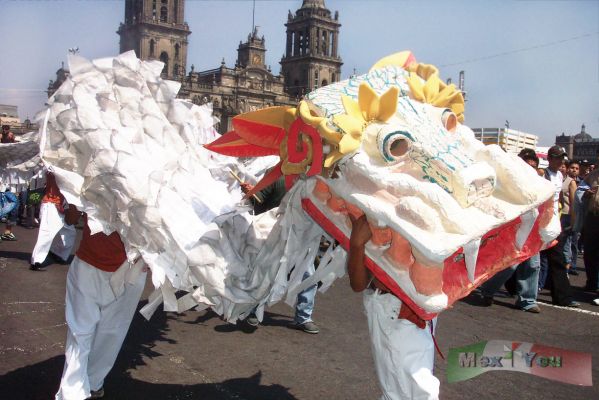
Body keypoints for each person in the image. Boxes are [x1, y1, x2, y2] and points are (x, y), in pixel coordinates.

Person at [55, 205, 146, 400]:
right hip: (91, 266)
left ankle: (90, 384)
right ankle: (74, 393)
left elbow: (70, 218)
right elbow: (71, 217)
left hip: (128, 271)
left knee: (106, 334)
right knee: (88, 333)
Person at [348, 213, 439, 400]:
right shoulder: (370, 215)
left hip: (414, 311)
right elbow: (358, 283)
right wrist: (357, 245)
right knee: (403, 388)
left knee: (411, 388)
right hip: (391, 310)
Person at [241, 178, 320, 334]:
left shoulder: (316, 179)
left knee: (308, 276)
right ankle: (253, 311)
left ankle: (304, 317)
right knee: (266, 273)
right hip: (277, 235)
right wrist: (251, 192)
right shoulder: (277, 175)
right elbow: (260, 199)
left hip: (303, 238)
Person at [479, 148, 542, 313]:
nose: (530, 168)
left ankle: (527, 300)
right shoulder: (508, 183)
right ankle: (487, 290)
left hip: (533, 230)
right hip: (514, 230)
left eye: (533, 166)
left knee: (533, 265)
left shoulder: (540, 184)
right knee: (510, 265)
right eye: (526, 165)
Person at [538, 145, 579, 307]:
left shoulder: (560, 175)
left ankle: (562, 297)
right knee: (528, 260)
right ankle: (496, 288)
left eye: (562, 158)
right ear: (549, 159)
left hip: (554, 224)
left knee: (558, 259)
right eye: (556, 157)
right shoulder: (543, 174)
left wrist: (559, 217)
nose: (560, 160)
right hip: (541, 223)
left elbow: (559, 199)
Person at [30, 172, 77, 270]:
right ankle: (36, 261)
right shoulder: (53, 168)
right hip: (51, 204)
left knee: (70, 232)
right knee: (46, 234)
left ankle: (57, 253)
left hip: (64, 206)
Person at [560, 160, 580, 275]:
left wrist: (574, 220)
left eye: (576, 168)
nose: (574, 170)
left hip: (568, 215)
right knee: (564, 244)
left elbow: (574, 203)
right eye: (572, 167)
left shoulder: (571, 182)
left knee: (567, 243)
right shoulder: (562, 179)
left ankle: (567, 269)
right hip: (562, 215)